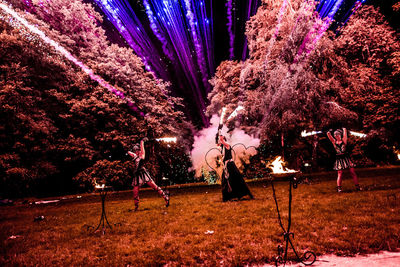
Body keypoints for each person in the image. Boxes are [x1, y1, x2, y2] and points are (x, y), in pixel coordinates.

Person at [128, 138, 169, 211]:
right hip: (137, 174)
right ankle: (136, 207)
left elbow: (142, 149)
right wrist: (131, 146)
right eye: (135, 151)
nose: (137, 152)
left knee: (154, 186)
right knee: (135, 191)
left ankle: (165, 197)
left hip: (143, 173)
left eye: (137, 150)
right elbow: (129, 152)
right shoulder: (135, 156)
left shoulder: (142, 155)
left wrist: (141, 142)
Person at [218, 135, 254, 201]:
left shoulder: (227, 145)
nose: (220, 139)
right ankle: (227, 197)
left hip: (230, 165)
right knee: (225, 180)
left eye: (222, 138)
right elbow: (218, 145)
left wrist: (221, 138)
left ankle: (243, 194)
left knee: (236, 178)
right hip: (226, 165)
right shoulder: (222, 147)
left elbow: (223, 142)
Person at [327, 128, 361, 193]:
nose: (336, 135)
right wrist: (329, 132)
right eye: (335, 134)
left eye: (338, 134)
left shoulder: (344, 141)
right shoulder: (334, 142)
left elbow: (345, 133)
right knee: (340, 173)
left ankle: (357, 187)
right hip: (339, 159)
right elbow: (328, 135)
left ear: (340, 135)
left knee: (352, 172)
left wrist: (344, 129)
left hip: (346, 158)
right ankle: (339, 188)